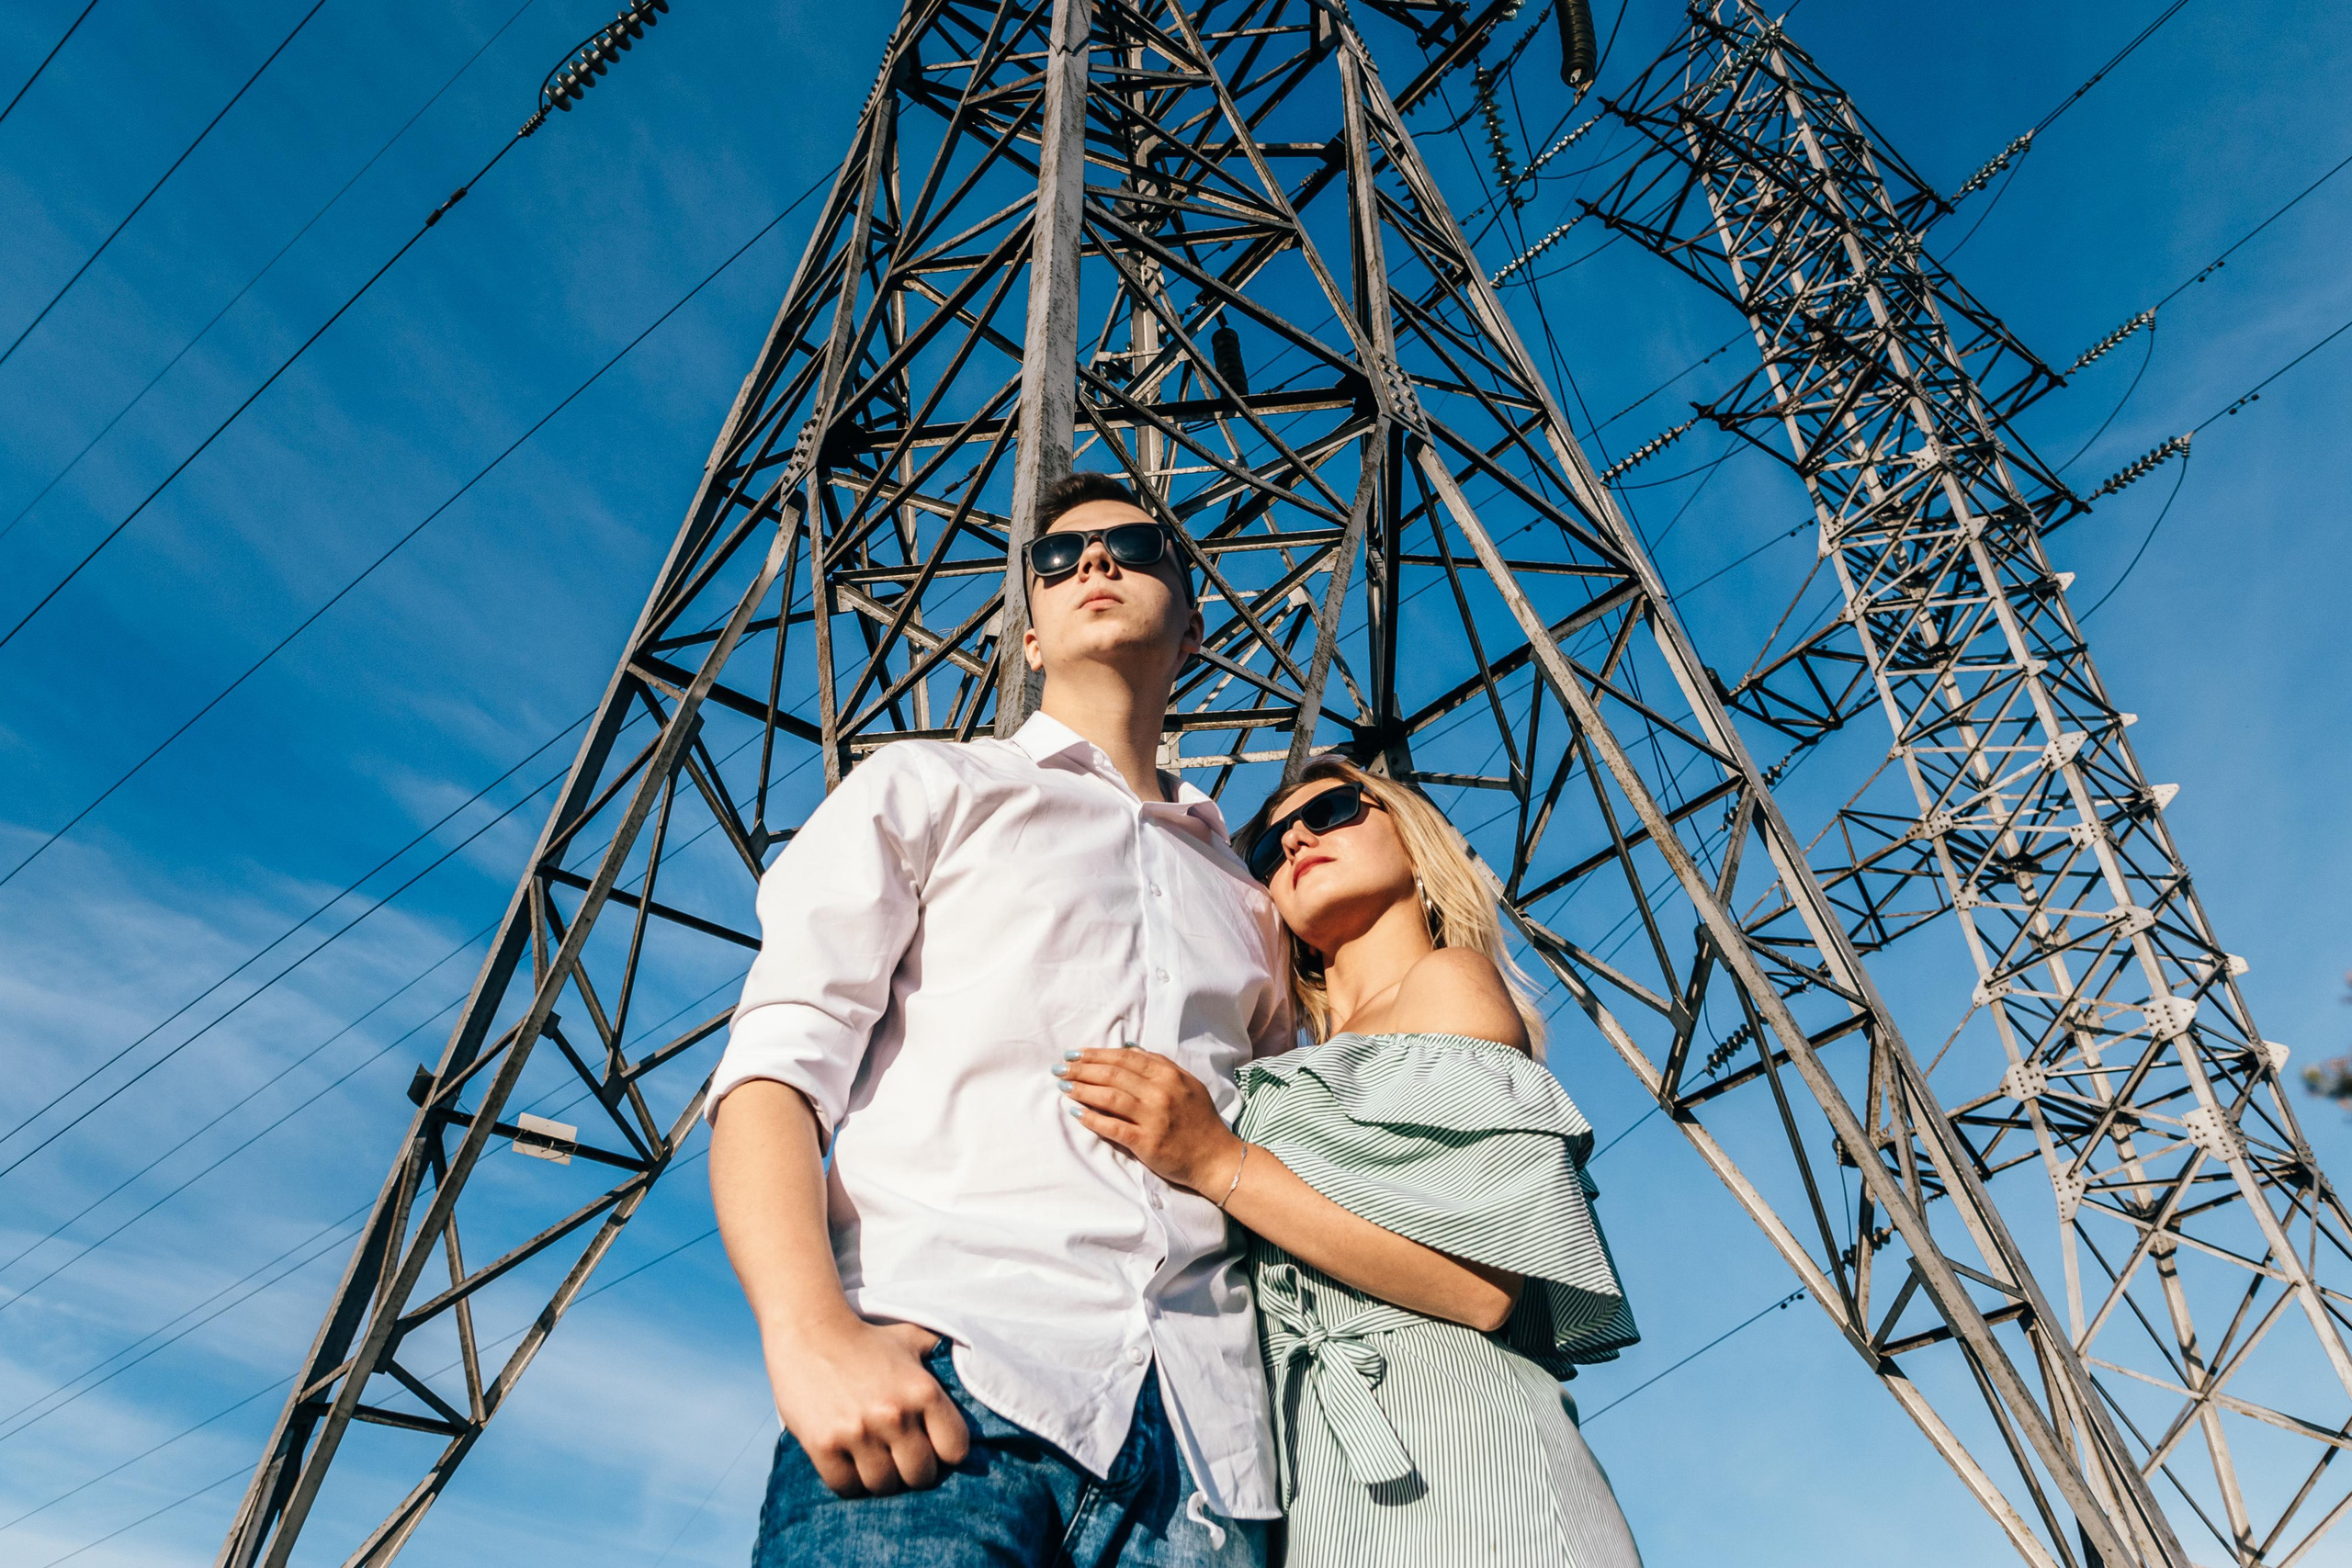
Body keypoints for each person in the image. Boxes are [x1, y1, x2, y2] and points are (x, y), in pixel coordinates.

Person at [706, 470, 1290, 1568]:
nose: (1095, 566)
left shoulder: (1255, 901)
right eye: (1059, 560)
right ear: (1028, 637)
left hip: (1217, 1474)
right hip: (946, 1410)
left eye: (1130, 547)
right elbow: (772, 1079)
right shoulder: (926, 788)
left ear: (1195, 623)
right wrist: (811, 1337)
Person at [1057, 756, 1645, 1568]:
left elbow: (1478, 1287)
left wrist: (1218, 1161)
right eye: (1267, 852)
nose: (1295, 839)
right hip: (1318, 1477)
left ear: (1412, 837)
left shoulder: (1451, 981)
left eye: (1333, 811)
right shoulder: (1285, 1062)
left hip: (1462, 1452)